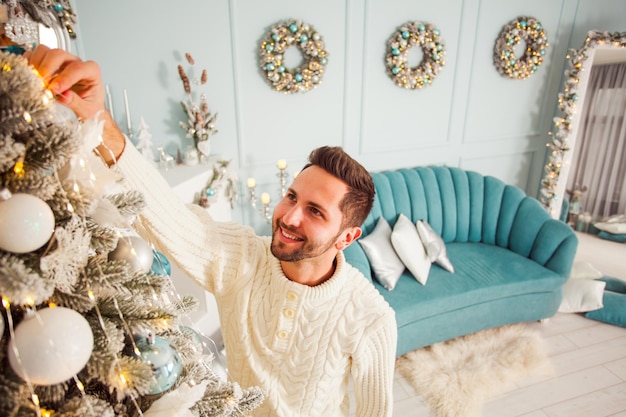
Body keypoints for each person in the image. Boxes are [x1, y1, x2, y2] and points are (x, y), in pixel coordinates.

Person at [26, 45, 397, 417]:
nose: (289, 217)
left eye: (314, 211)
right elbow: (164, 213)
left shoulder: (371, 318)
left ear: (347, 237)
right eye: (291, 197)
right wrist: (100, 120)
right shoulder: (240, 259)